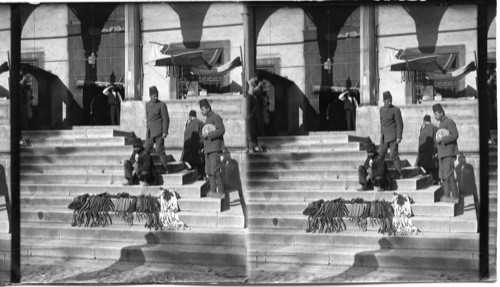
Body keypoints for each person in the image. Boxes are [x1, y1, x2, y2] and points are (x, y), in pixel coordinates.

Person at [199, 98, 226, 199]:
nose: (201, 112)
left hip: (215, 149)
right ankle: (213, 191)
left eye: (202, 109)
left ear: (208, 108)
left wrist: (209, 135)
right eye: (201, 110)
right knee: (209, 172)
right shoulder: (207, 120)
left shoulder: (215, 117)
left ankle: (222, 192)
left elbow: (222, 130)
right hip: (208, 150)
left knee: (215, 171)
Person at [433, 103, 459, 203]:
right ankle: (447, 195)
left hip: (448, 153)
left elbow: (455, 135)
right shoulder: (440, 124)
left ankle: (455, 197)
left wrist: (443, 139)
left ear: (441, 112)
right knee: (442, 176)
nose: (435, 116)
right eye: (434, 114)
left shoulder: (449, 122)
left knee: (449, 175)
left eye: (436, 114)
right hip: (441, 154)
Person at [145, 86, 170, 173]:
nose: (156, 97)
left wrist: (165, 131)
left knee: (159, 150)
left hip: (159, 132)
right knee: (146, 149)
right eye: (154, 96)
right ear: (150, 96)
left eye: (157, 95)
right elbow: (147, 118)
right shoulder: (147, 104)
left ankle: (165, 168)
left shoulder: (162, 105)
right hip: (150, 132)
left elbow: (166, 119)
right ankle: (147, 167)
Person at [378, 91, 404, 179]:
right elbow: (382, 123)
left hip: (393, 137)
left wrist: (399, 137)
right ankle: (380, 172)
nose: (390, 102)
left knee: (393, 155)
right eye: (388, 101)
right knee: (379, 154)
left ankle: (399, 173)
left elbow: (400, 124)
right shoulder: (381, 109)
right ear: (383, 101)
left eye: (391, 100)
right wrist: (381, 134)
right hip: (384, 137)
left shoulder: (395, 110)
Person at [181, 110, 205, 180]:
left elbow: (190, 135)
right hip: (199, 146)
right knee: (199, 162)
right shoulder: (200, 122)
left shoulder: (194, 123)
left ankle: (199, 175)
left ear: (190, 117)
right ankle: (201, 175)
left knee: (192, 160)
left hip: (194, 146)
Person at [415, 114, 439, 184]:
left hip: (427, 150)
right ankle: (434, 180)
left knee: (427, 166)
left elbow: (428, 138)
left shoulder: (430, 127)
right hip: (429, 150)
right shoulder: (431, 127)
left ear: (424, 121)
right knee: (430, 167)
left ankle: (433, 181)